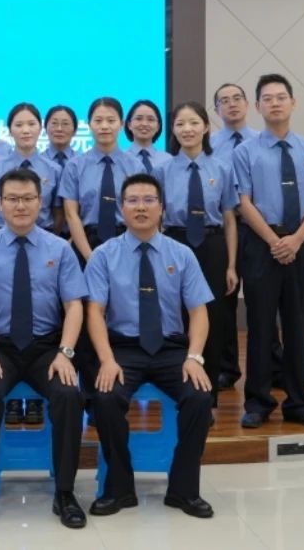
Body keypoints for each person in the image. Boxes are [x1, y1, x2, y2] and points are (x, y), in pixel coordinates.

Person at [0, 168, 87, 529]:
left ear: (40, 202)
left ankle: (65, 492)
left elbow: (74, 305)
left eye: (28, 198)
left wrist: (65, 353)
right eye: (12, 199)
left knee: (69, 395)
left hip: (47, 347)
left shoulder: (60, 249)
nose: (20, 206)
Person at [86, 173, 216, 519]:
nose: (141, 207)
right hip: (123, 348)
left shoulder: (182, 254)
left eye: (148, 200)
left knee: (200, 397)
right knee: (105, 398)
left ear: (162, 208)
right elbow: (94, 312)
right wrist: (107, 360)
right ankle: (118, 489)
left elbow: (198, 312)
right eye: (132, 201)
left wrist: (194, 357)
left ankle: (184, 491)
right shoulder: (103, 255)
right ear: (121, 208)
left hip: (171, 348)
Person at [234, 74, 304, 430]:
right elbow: (243, 202)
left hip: (300, 245)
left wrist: (296, 240)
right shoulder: (245, 152)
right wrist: (273, 241)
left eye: (281, 97)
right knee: (260, 326)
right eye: (267, 98)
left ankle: (298, 402)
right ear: (257, 106)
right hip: (260, 245)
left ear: (293, 102)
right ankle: (258, 402)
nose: (275, 103)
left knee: (297, 326)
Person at [0, 102, 64, 425]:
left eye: (31, 124)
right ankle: (14, 402)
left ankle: (37, 401)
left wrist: (47, 240)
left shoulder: (53, 168)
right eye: (19, 124)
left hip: (43, 247)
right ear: (10, 129)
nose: (26, 130)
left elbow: (57, 212)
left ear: (40, 128)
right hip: (5, 244)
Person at [155, 101, 239, 409]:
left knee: (212, 320)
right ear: (173, 130)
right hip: (174, 244)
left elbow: (229, 218)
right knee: (175, 318)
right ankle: (178, 393)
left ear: (205, 127)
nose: (187, 129)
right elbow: (156, 218)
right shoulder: (162, 169)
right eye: (180, 124)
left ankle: (207, 398)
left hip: (212, 245)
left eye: (193, 123)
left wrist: (231, 265)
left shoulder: (222, 168)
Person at [60, 97, 143, 400]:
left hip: (126, 243)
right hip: (88, 243)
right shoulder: (76, 165)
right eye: (98, 120)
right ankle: (88, 393)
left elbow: (142, 210)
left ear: (122, 124)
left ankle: (115, 388)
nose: (105, 126)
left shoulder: (134, 165)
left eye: (111, 120)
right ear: (90, 125)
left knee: (119, 313)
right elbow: (71, 214)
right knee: (86, 314)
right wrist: (89, 256)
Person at [209, 82, 279, 391]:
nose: (232, 104)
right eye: (224, 100)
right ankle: (227, 368)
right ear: (216, 110)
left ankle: (273, 368)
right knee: (224, 301)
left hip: (259, 230)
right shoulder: (209, 144)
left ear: (249, 104)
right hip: (226, 228)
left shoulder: (264, 141)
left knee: (263, 301)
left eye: (237, 98)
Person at [125, 100, 171, 174]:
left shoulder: (168, 160)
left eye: (150, 119)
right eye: (139, 119)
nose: (144, 124)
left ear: (158, 127)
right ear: (129, 125)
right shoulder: (120, 160)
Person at [43, 104, 79, 170]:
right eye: (54, 123)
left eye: (65, 124)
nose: (59, 129)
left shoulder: (82, 161)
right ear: (45, 128)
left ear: (75, 130)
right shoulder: (37, 162)